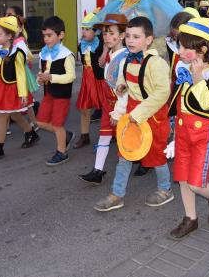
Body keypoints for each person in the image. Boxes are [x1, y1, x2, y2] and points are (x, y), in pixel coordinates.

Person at [94, 17, 173, 212]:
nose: (130, 40)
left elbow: (162, 93)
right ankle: (117, 194)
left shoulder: (157, 64)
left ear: (148, 40)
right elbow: (125, 80)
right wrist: (121, 86)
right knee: (125, 153)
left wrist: (138, 114)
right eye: (128, 36)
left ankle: (165, 189)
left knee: (156, 155)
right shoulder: (128, 59)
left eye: (136, 37)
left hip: (152, 114)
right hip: (132, 111)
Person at [167, 17, 209, 239]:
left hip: (204, 133)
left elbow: (207, 104)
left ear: (202, 49)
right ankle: (190, 219)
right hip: (183, 130)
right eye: (179, 45)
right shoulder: (182, 66)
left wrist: (198, 78)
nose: (179, 51)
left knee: (196, 183)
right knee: (183, 177)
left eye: (184, 47)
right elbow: (178, 98)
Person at [0, 16, 39, 162]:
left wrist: (23, 93)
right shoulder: (0, 49)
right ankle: (31, 133)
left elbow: (21, 74)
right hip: (0, 86)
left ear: (10, 36)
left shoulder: (17, 52)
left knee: (1, 117)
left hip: (11, 89)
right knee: (14, 115)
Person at [79, 14, 129, 184]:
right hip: (109, 103)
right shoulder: (111, 54)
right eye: (105, 33)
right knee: (104, 136)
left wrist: (119, 110)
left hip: (121, 105)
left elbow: (126, 88)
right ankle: (97, 170)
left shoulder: (126, 57)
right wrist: (106, 50)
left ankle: (149, 163)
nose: (106, 36)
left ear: (122, 35)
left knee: (127, 140)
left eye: (111, 33)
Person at [36, 16, 77, 166]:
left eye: (49, 35)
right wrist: (40, 78)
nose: (46, 39)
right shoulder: (43, 53)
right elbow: (42, 71)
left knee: (58, 124)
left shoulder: (67, 55)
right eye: (44, 35)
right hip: (49, 93)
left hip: (62, 96)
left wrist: (51, 77)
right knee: (40, 122)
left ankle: (62, 152)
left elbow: (71, 76)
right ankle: (66, 135)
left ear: (61, 35)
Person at [74, 12, 105, 149]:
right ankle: (84, 136)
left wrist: (105, 52)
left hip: (100, 79)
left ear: (96, 31)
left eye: (87, 29)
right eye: (83, 29)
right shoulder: (81, 45)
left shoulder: (102, 44)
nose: (84, 32)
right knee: (84, 108)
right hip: (87, 79)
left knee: (107, 107)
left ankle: (112, 135)